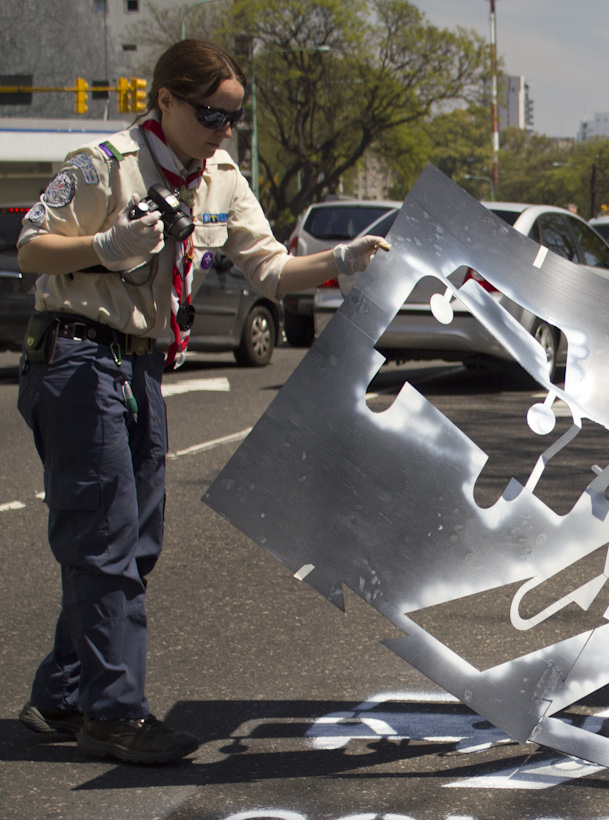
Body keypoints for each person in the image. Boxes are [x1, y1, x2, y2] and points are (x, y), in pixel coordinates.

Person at [15, 39, 388, 763]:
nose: (222, 130)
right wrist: (106, 244)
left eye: (231, 118)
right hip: (80, 354)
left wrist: (344, 260)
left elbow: (271, 271)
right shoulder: (106, 165)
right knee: (106, 541)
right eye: (209, 114)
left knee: (135, 541)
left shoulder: (217, 176)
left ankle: (63, 695)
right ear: (164, 101)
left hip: (141, 367)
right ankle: (114, 715)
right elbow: (32, 248)